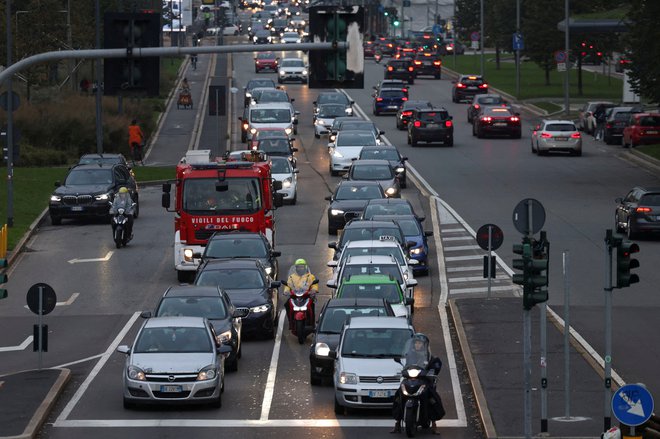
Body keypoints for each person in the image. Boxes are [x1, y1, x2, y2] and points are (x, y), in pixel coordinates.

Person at [391, 333, 444, 435]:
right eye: (416, 343)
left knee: (432, 397)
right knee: (398, 396)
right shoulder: (409, 354)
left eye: (420, 343)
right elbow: (404, 364)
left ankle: (434, 424)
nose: (418, 345)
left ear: (424, 345)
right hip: (410, 378)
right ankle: (397, 423)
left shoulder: (429, 356)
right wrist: (402, 367)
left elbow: (436, 364)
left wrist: (433, 370)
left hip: (423, 379)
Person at [283, 259, 319, 323]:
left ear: (305, 267)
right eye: (298, 267)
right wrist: (286, 291)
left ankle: (312, 323)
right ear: (296, 267)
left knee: (311, 305)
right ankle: (290, 321)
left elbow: (314, 284)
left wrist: (313, 290)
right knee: (286, 304)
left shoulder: (310, 276)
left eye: (302, 266)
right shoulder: (291, 277)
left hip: (306, 295)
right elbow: (288, 285)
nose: (300, 268)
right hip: (294, 295)